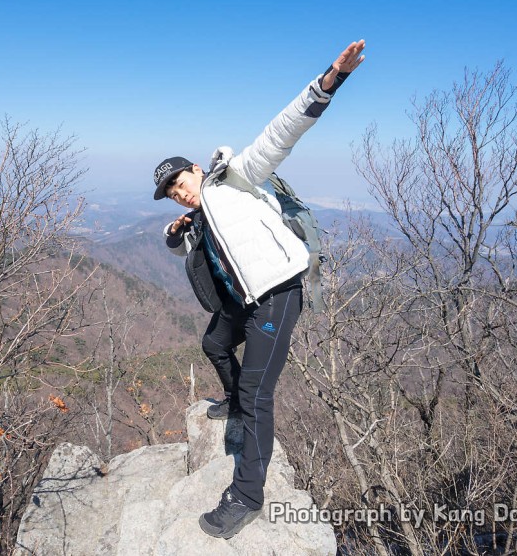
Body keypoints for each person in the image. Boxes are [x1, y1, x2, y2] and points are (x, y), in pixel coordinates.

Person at [151, 40, 365, 539]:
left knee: (256, 393)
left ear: (196, 170)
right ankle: (233, 399)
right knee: (214, 344)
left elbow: (280, 133)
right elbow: (208, 263)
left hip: (277, 294)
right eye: (171, 194)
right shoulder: (200, 218)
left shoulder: (236, 179)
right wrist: (175, 240)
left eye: (180, 182)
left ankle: (247, 495)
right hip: (245, 300)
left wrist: (330, 79)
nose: (179, 193)